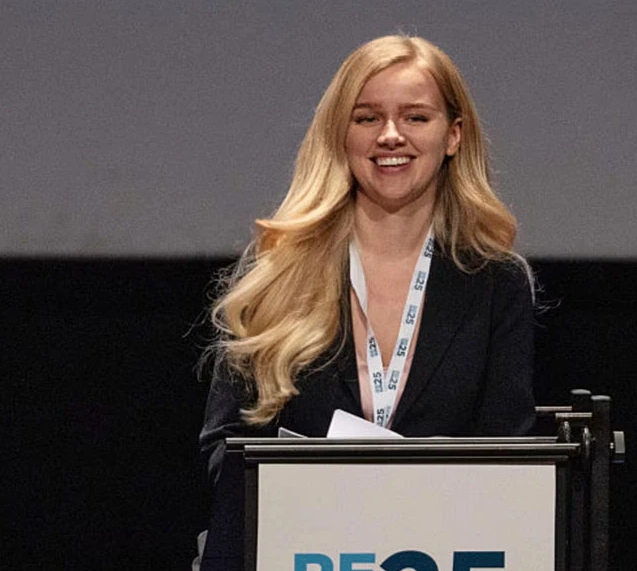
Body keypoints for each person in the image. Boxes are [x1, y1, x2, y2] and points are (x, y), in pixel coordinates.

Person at [199, 35, 536, 487]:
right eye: (367, 118)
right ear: (342, 133)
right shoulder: (276, 271)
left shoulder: (497, 282)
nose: (390, 134)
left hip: (441, 548)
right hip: (303, 548)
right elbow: (226, 445)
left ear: (453, 135)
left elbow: (508, 457)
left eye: (415, 117)